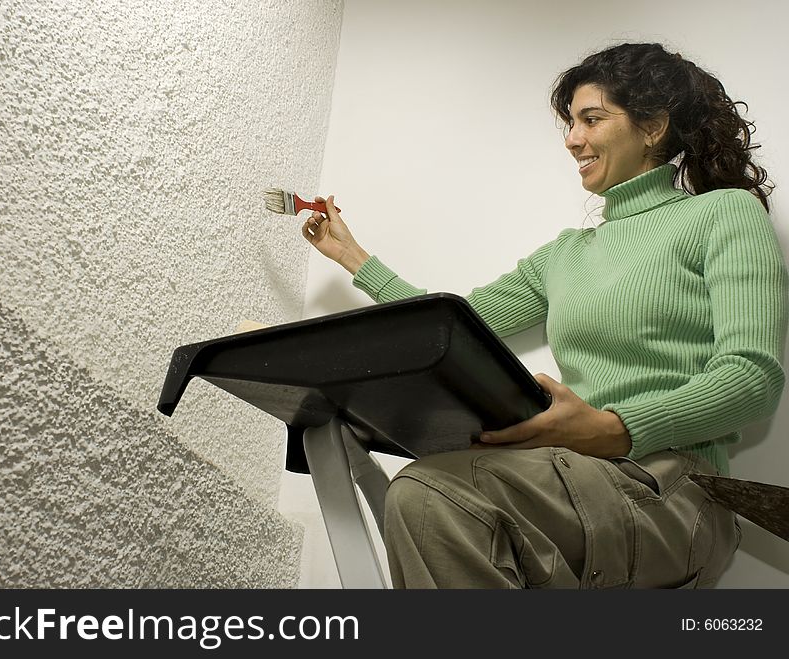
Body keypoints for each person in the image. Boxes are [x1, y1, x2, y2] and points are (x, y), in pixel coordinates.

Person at [301, 42, 788, 589]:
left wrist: (615, 429)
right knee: (426, 496)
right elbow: (446, 327)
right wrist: (352, 256)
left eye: (592, 119)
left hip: (671, 487)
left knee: (427, 493)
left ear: (652, 127)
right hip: (572, 478)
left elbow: (753, 379)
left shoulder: (723, 213)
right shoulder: (563, 255)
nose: (573, 139)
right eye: (570, 123)